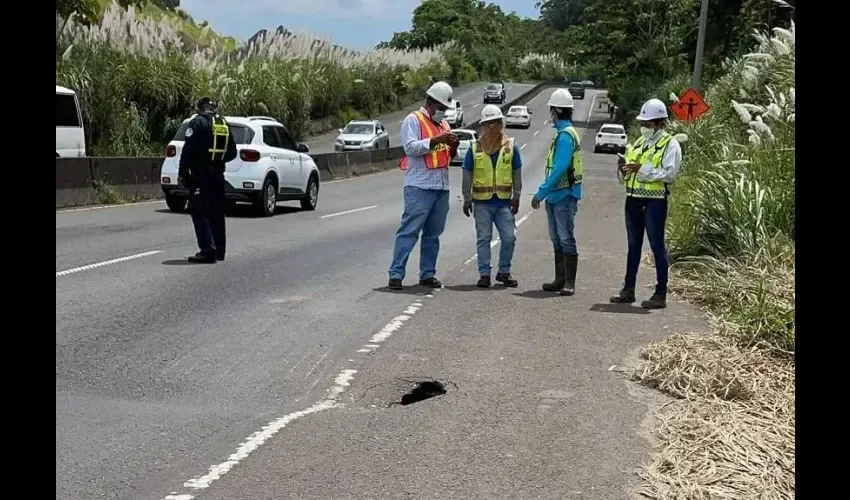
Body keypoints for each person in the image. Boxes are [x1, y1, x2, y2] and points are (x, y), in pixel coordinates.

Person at [609, 98, 683, 309]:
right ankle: (628, 290)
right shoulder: (639, 143)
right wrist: (624, 168)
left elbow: (670, 174)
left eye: (649, 124)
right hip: (633, 199)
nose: (644, 127)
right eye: (643, 123)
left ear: (660, 122)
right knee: (633, 247)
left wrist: (641, 168)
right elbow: (628, 174)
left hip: (655, 201)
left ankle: (660, 294)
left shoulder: (670, 144)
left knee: (657, 246)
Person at [387, 81, 459, 290]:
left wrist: (452, 146)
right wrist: (437, 141)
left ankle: (427, 274)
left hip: (441, 186)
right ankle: (396, 274)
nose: (443, 112)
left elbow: (447, 155)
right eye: (441, 108)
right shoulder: (413, 120)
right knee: (409, 231)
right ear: (430, 102)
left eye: (445, 109)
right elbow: (410, 148)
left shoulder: (444, 126)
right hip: (419, 185)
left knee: (433, 234)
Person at [461, 104, 522, 288]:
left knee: (509, 237)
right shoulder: (475, 148)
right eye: (488, 124)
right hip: (482, 204)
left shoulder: (511, 147)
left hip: (503, 203)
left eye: (495, 123)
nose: (492, 128)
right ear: (483, 126)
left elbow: (516, 172)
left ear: (501, 124)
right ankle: (484, 274)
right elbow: (467, 173)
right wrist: (466, 198)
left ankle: (504, 271)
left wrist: (517, 195)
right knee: (484, 238)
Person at [530, 88, 583, 296]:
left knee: (565, 237)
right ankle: (560, 279)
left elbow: (560, 167)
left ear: (557, 111)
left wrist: (540, 192)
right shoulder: (562, 134)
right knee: (556, 238)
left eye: (551, 110)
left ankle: (569, 282)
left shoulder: (565, 136)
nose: (550, 115)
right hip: (556, 195)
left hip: (564, 195)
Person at [178, 97, 237, 264]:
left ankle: (207, 250)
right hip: (218, 175)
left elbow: (188, 150)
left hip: (201, 176)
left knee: (198, 210)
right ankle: (220, 251)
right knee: (217, 212)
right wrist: (218, 161)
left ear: (199, 108)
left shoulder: (197, 123)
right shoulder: (222, 124)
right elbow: (232, 152)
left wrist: (183, 172)